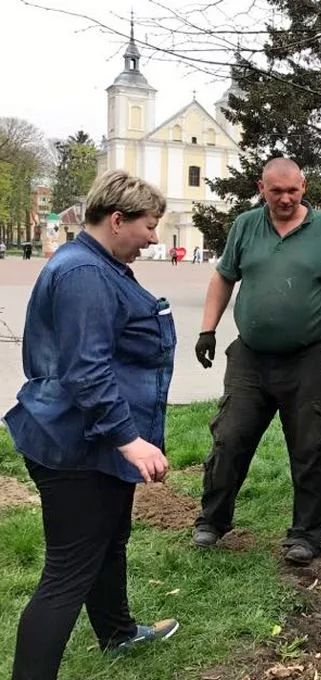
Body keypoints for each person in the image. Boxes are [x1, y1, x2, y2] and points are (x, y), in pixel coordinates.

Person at [3, 170, 179, 680]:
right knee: (67, 573)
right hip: (75, 445)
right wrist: (129, 440)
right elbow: (87, 369)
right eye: (149, 225)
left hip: (90, 438)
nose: (153, 237)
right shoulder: (84, 274)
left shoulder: (103, 263)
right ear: (118, 219)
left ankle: (117, 633)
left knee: (108, 540)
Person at [191, 157, 321, 566]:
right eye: (277, 191)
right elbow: (224, 275)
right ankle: (212, 521)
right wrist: (208, 329)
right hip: (251, 359)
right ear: (262, 188)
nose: (285, 198)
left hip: (309, 359)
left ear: (303, 186)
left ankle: (306, 535)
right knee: (230, 437)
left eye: (293, 190)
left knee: (311, 446)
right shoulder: (246, 226)